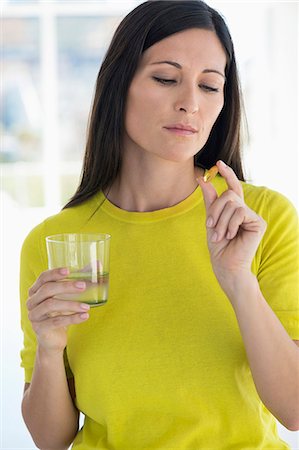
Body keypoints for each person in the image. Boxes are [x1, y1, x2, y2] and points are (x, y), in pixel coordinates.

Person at [20, 1, 299, 449]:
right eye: (166, 78)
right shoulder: (56, 243)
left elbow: (294, 409)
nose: (189, 103)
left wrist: (237, 279)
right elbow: (51, 440)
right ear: (119, 84)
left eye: (210, 86)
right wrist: (49, 349)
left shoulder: (259, 220)